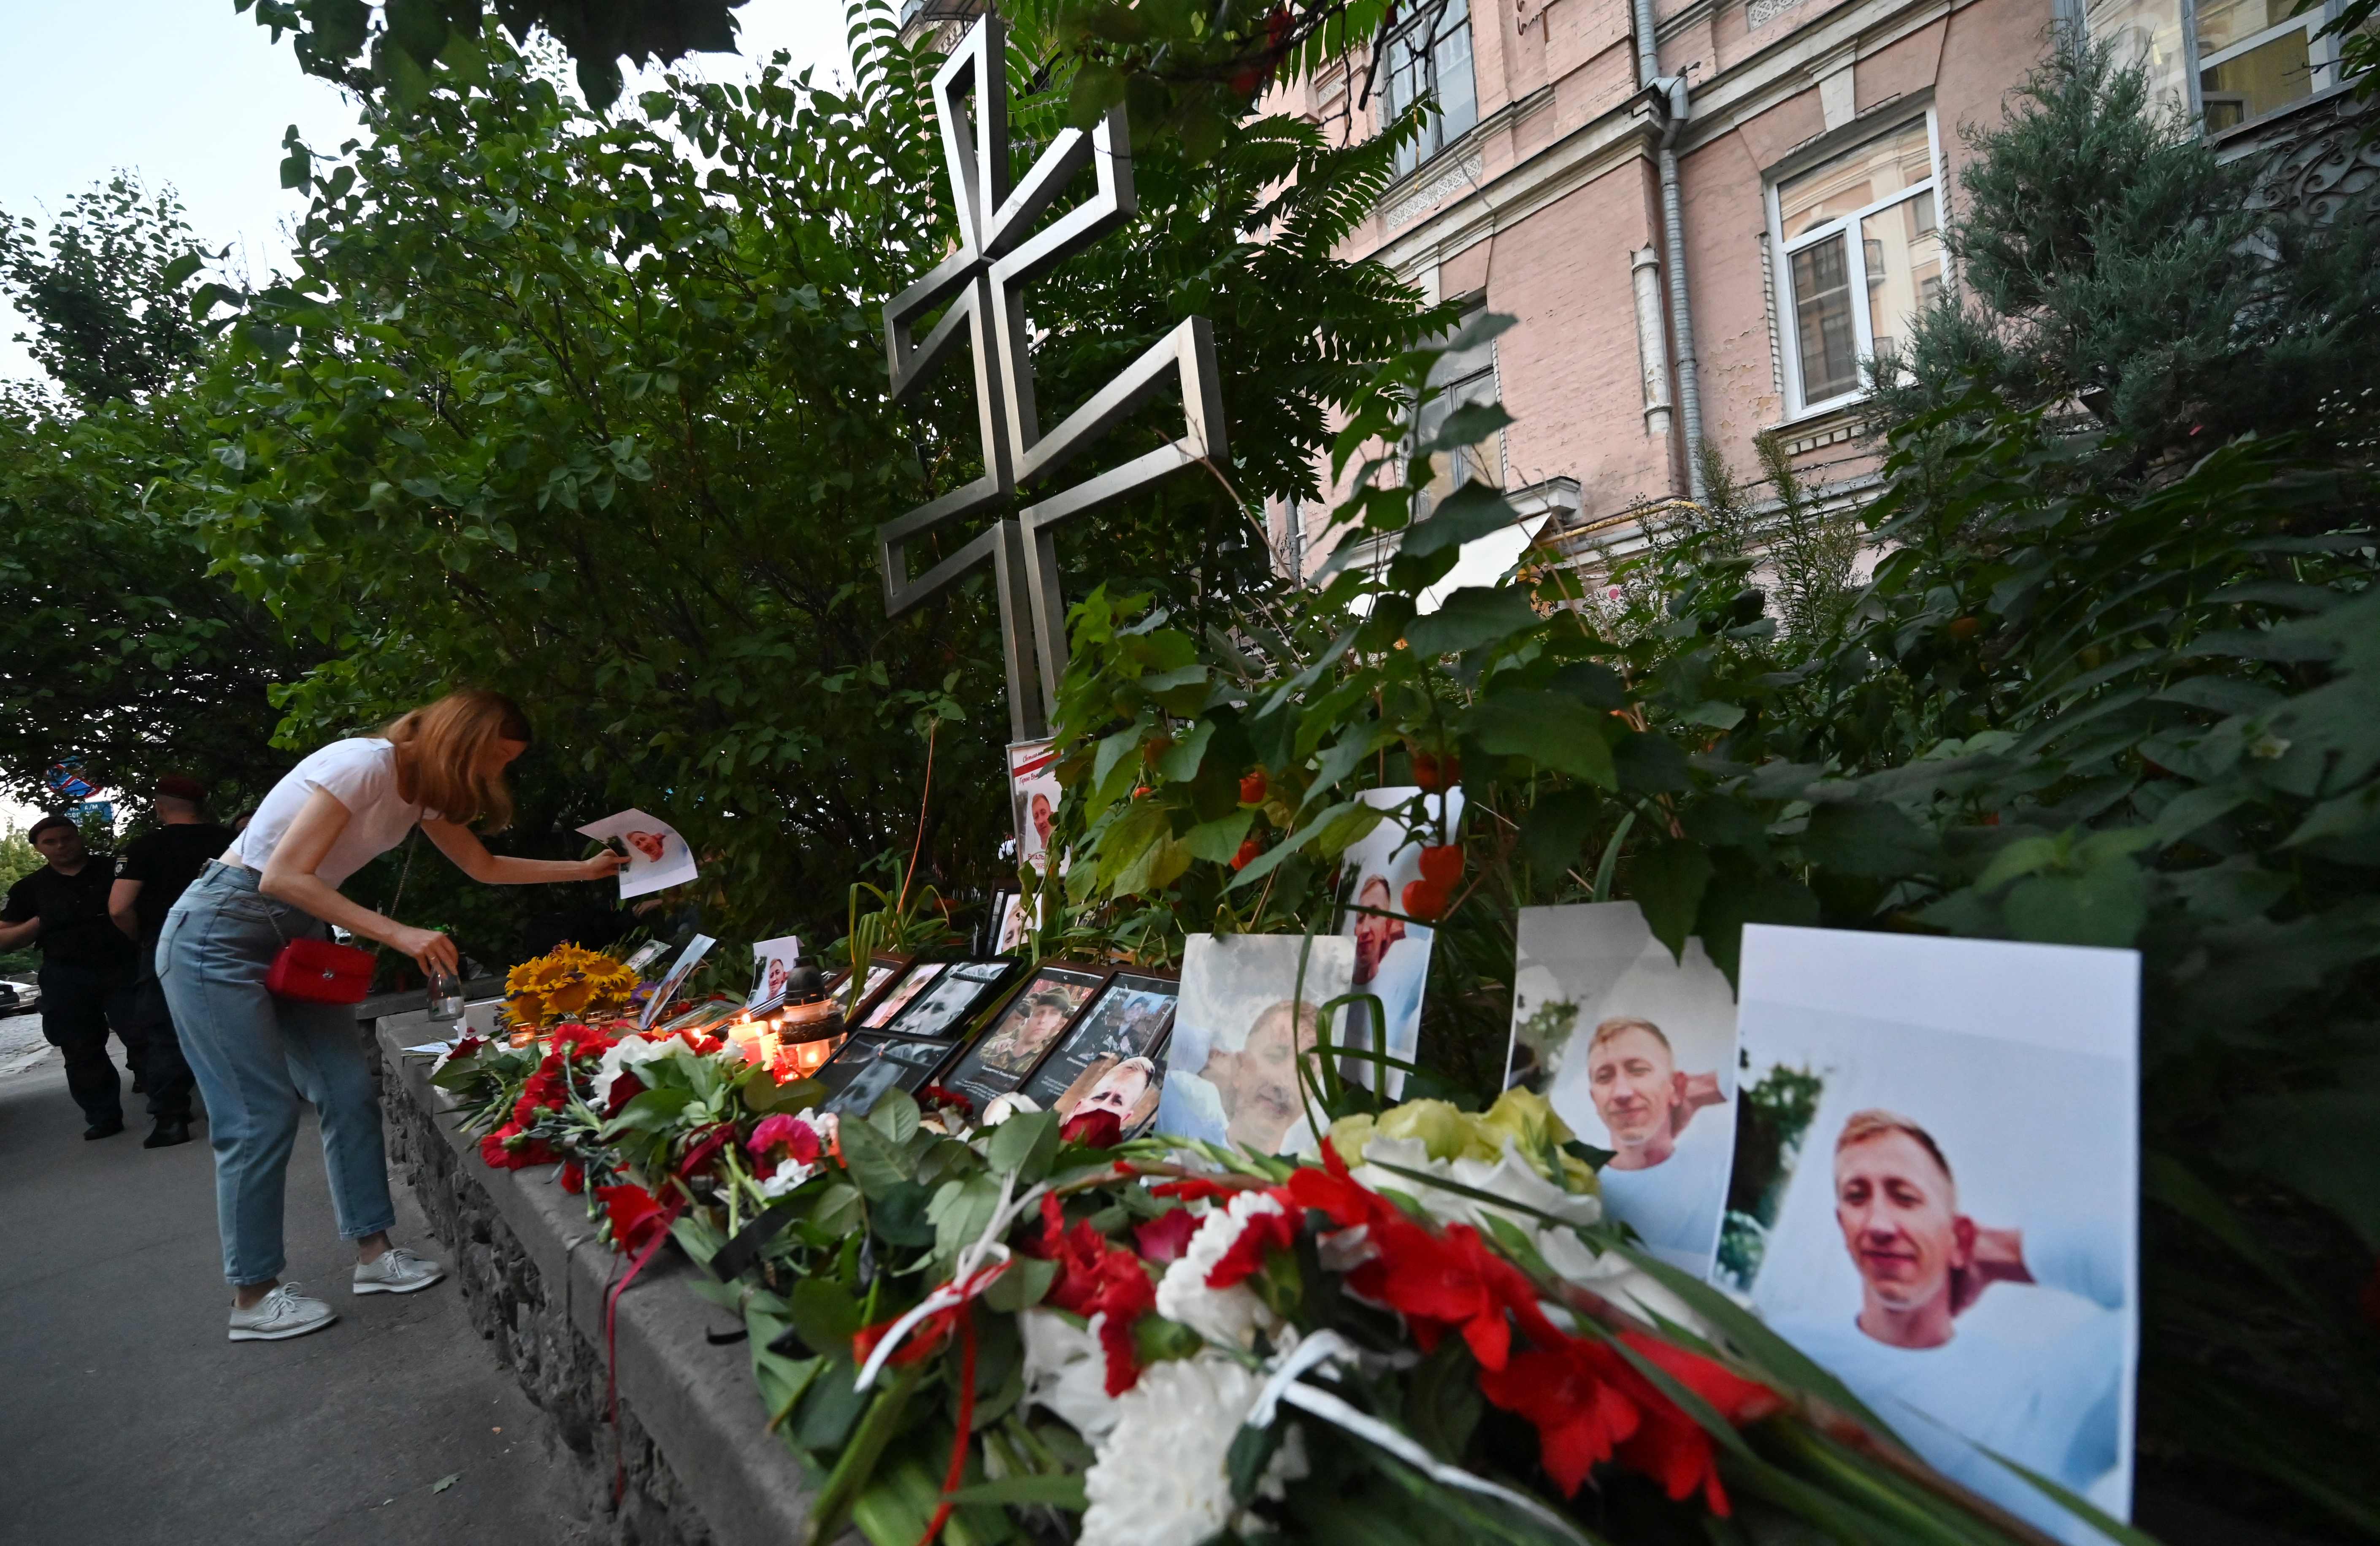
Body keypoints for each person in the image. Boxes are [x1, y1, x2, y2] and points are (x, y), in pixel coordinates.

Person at [157, 690, 623, 1343]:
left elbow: (483, 867)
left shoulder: (421, 792)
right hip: (219, 933)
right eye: (491, 760)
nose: (493, 777)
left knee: (348, 1092)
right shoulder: (363, 763)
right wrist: (400, 933)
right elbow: (283, 875)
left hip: (294, 937)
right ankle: (253, 1296)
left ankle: (375, 1258)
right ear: (459, 742)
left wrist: (585, 869)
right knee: (258, 1114)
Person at [1769, 1110, 2127, 1544]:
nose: (1879, 1225)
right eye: (1857, 1196)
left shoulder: (2040, 1391)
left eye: (1905, 1197)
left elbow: (2137, 1286)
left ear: (1958, 1236)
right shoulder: (1781, 1340)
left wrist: (2000, 1251)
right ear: (1841, 1221)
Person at [108, 776, 237, 1148]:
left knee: (165, 1030)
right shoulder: (229, 841)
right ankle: (244, 1105)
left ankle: (170, 1119)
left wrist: (143, 939)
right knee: (234, 1021)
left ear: (160, 805)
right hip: (230, 940)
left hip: (169, 942)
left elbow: (119, 908)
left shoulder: (146, 847)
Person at [0, 815, 140, 1139]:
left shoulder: (115, 871)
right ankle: (102, 1116)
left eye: (67, 838)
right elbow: (6, 939)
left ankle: (168, 1107)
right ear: (38, 849)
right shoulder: (30, 888)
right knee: (80, 1049)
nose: (61, 846)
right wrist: (40, 921)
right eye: (50, 842)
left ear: (79, 838)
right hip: (67, 974)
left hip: (124, 965)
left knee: (144, 1032)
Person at [1577, 1017, 1728, 1271]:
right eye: (1605, 1077)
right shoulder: (1580, 1190)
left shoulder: (1714, 1171)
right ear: (1594, 1098)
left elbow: (1754, 1066)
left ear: (1677, 1086)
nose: (1621, 1093)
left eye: (1638, 1071)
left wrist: (1685, 1095)